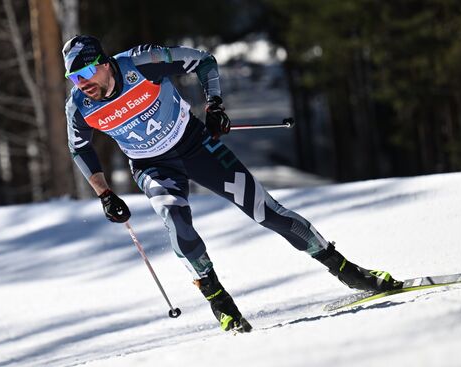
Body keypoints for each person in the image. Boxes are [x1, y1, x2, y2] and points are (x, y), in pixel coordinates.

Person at [63, 35, 402, 333]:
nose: (82, 83)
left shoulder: (143, 63)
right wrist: (105, 194)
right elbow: (79, 148)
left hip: (195, 145)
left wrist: (214, 105)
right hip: (152, 166)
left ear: (104, 63)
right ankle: (219, 302)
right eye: (74, 77)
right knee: (176, 220)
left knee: (267, 212)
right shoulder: (79, 106)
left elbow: (203, 60)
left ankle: (345, 270)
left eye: (86, 72)